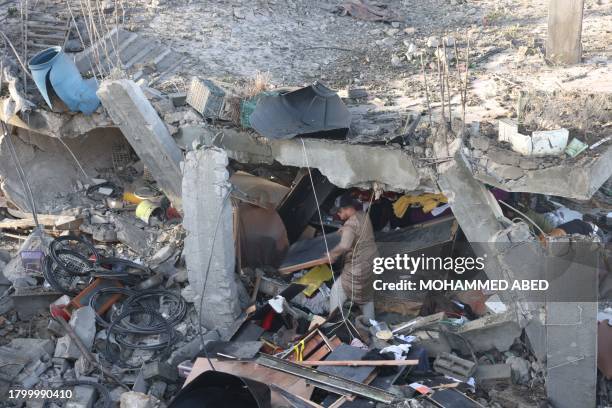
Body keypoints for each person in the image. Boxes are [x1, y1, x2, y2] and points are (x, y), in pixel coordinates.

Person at [327, 193, 379, 320]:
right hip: (373, 261)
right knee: (366, 296)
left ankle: (334, 323)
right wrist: (343, 231)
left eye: (339, 212)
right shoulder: (363, 215)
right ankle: (371, 324)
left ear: (345, 208)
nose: (338, 215)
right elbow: (358, 232)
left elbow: (344, 245)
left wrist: (331, 254)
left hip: (359, 265)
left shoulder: (350, 224)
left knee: (338, 289)